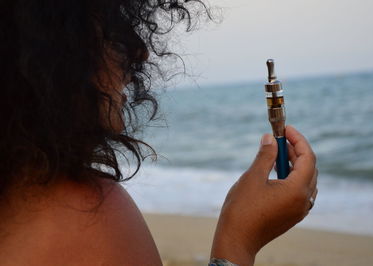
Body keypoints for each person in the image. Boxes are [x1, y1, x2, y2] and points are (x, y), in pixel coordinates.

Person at [0, 1, 318, 265]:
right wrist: (237, 241)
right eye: (111, 32)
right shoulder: (85, 213)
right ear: (51, 52)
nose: (139, 53)